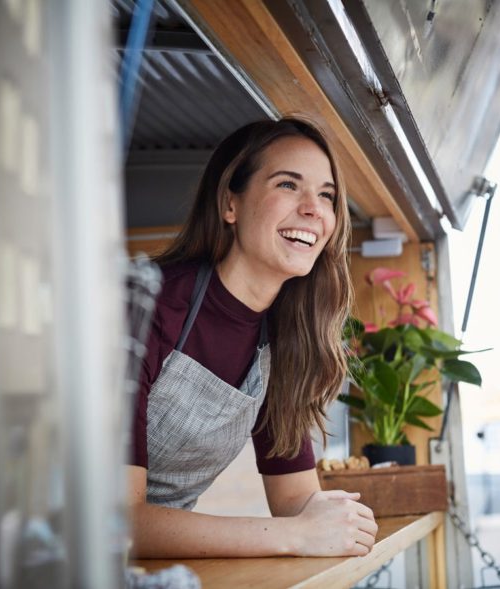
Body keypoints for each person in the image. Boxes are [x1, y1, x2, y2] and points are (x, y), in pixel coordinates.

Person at [128, 117, 378, 558]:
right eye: (288, 185)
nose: (313, 209)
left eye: (327, 195)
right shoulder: (143, 305)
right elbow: (116, 521)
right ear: (230, 204)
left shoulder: (286, 342)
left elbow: (295, 500)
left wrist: (339, 518)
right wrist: (296, 536)